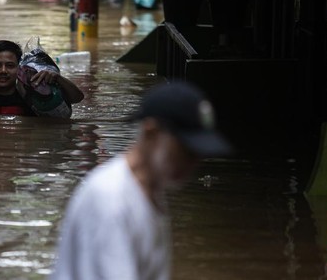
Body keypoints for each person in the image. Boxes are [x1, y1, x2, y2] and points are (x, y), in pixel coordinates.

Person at [50, 82, 232, 280]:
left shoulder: (150, 189)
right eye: (186, 151)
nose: (192, 164)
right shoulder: (111, 199)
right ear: (151, 133)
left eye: (198, 154)